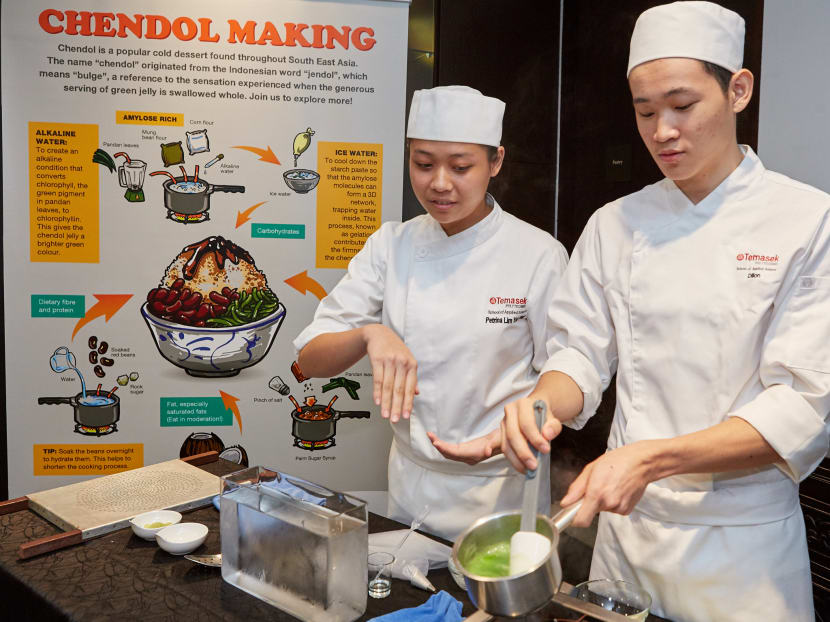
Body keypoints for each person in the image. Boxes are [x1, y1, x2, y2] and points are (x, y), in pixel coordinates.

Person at [434, 3, 829, 620]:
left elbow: (802, 405)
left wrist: (649, 459)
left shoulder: (807, 221)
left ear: (738, 90)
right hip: (627, 537)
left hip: (743, 554)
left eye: (682, 106)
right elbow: (580, 353)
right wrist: (540, 406)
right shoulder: (616, 223)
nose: (662, 131)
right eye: (646, 112)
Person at [293, 85, 568, 541]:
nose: (439, 182)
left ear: (495, 163)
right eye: (423, 164)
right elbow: (311, 359)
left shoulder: (538, 254)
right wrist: (369, 335)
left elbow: (565, 370)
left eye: (460, 167)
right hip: (411, 486)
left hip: (502, 488)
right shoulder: (391, 245)